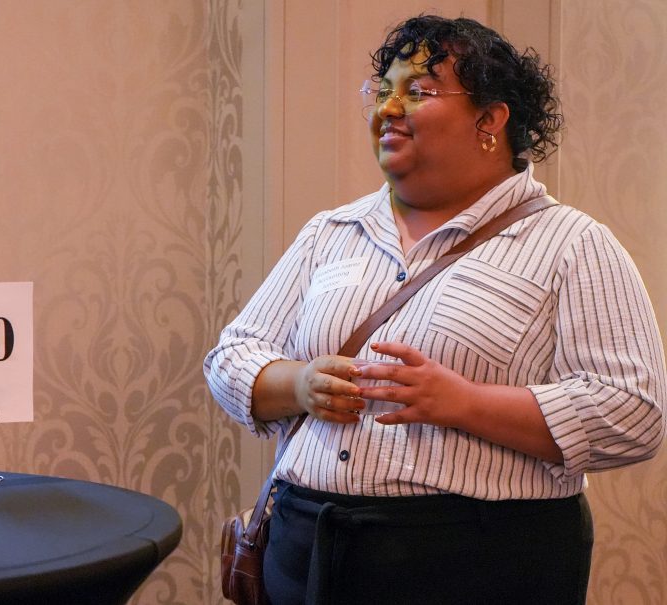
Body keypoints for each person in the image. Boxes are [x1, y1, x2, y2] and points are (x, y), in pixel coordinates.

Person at [204, 15, 665, 605]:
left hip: (481, 563)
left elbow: (633, 414)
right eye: (382, 91)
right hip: (306, 548)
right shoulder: (331, 232)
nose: (387, 109)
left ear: (490, 119)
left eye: (417, 92)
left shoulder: (574, 244)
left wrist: (462, 403)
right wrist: (300, 384)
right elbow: (231, 357)